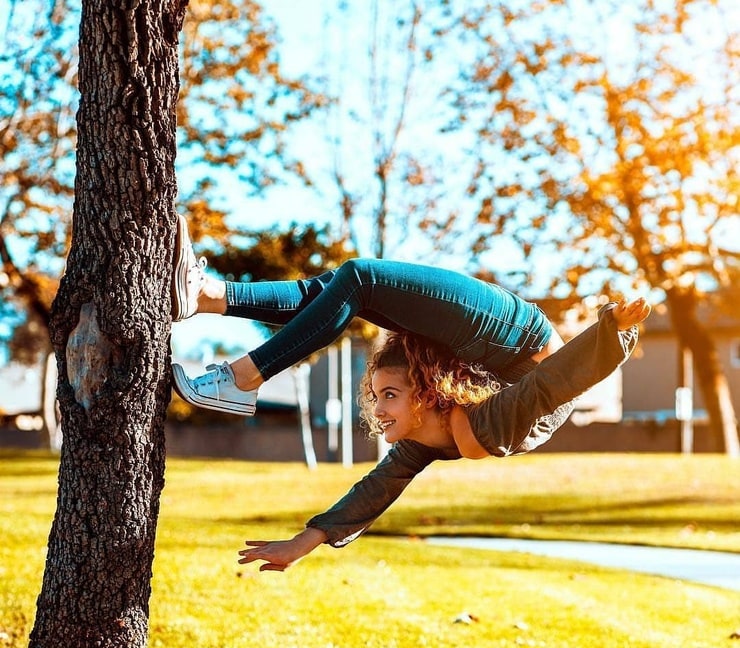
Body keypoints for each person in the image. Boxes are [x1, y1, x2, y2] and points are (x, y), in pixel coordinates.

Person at [168, 214, 650, 571]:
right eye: (380, 396)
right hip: (519, 341)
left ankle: (241, 372)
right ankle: (206, 300)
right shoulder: (489, 424)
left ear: (422, 394)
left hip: (495, 351)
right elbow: (553, 381)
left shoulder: (428, 438)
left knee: (354, 282)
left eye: (388, 396)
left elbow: (373, 490)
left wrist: (303, 542)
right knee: (351, 284)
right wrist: (612, 330)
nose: (378, 410)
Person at [170, 214, 566, 415]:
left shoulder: (555, 378)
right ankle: (205, 297)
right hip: (503, 347)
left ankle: (243, 377)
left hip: (514, 333)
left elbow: (583, 363)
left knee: (361, 278)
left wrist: (616, 330)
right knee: (344, 289)